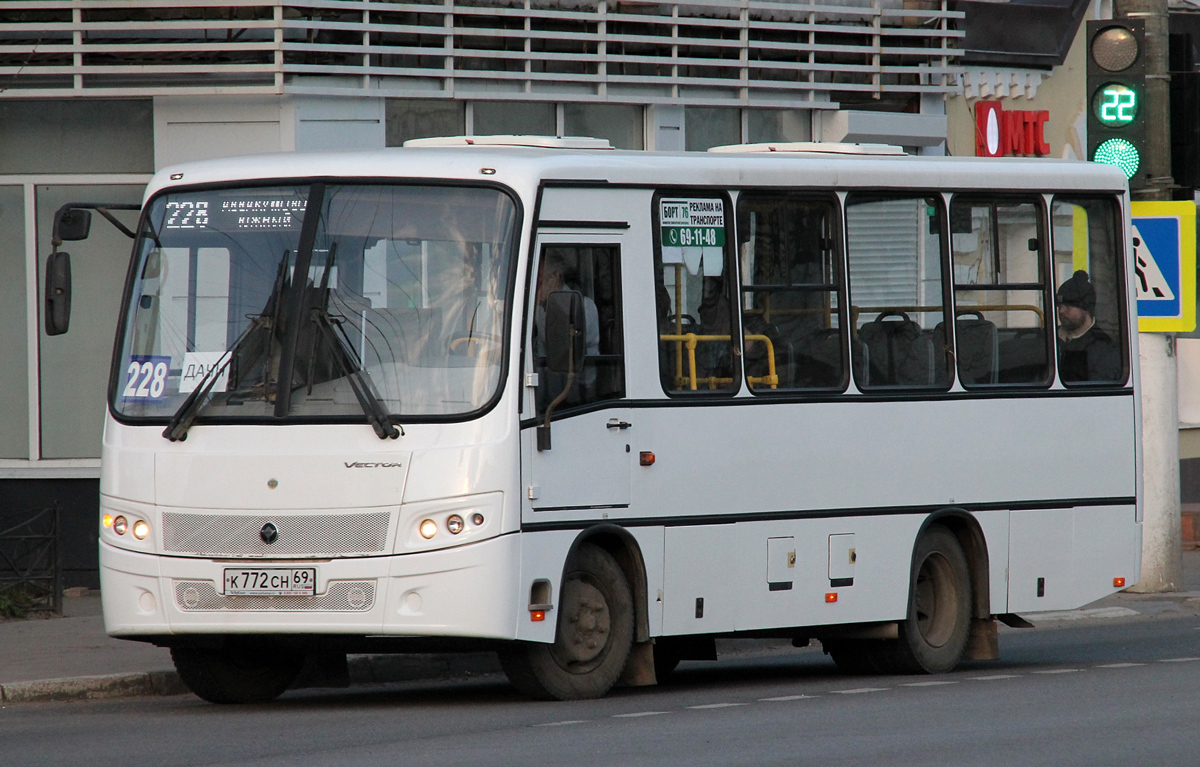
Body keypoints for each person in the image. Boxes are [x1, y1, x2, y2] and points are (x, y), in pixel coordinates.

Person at [1056, 269, 1121, 383]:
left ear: (1086, 308)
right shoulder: (1048, 338)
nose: (1061, 311)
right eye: (1059, 305)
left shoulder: (1103, 348)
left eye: (1068, 306)